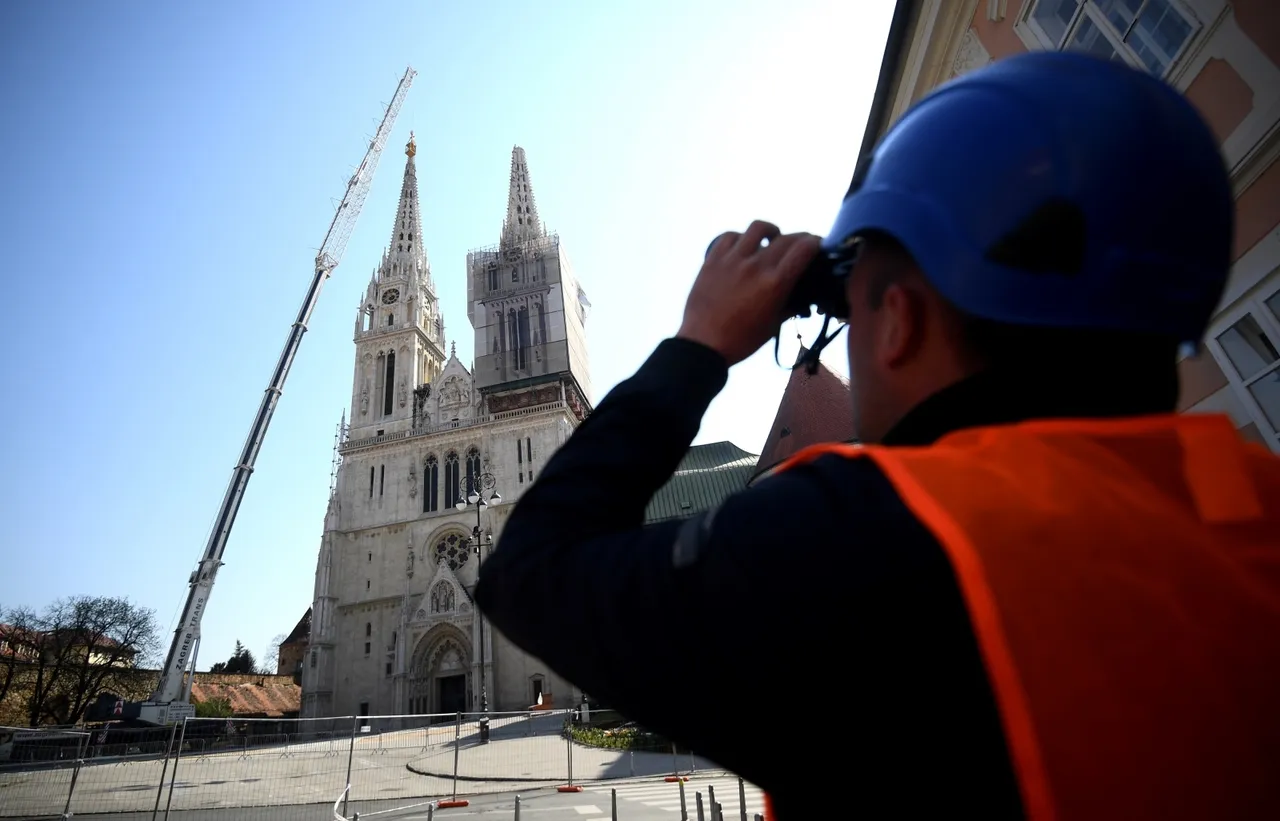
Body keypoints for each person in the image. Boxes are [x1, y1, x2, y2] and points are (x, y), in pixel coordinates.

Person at [474, 51, 1280, 820]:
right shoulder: (1252, 505)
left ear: (898, 320)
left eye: (844, 314)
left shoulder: (873, 538)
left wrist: (699, 344)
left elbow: (531, 570)